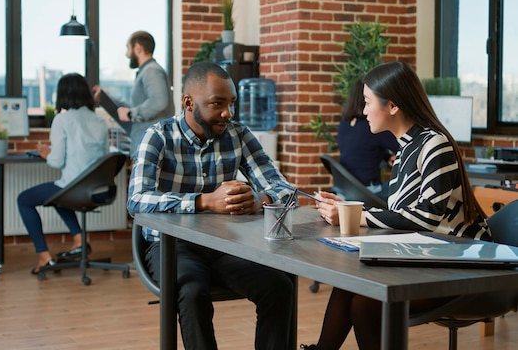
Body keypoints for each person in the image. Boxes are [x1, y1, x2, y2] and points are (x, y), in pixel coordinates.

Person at [302, 61, 490, 350]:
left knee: (365, 301)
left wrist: (359, 216)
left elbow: (427, 219)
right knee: (350, 283)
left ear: (392, 106)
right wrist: (349, 207)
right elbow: (404, 214)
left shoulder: (433, 144)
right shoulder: (404, 153)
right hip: (429, 259)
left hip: (460, 268)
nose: (362, 111)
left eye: (367, 102)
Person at [127, 61, 295, 350]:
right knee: (192, 292)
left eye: (231, 103)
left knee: (279, 287)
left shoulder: (238, 134)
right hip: (171, 246)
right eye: (217, 104)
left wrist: (260, 200)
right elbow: (137, 200)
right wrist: (204, 201)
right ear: (188, 102)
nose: (227, 113)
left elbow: (287, 191)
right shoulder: (158, 136)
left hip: (225, 245)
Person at [18, 73, 109, 275]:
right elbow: (103, 157)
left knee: (24, 199)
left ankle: (44, 255)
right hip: (99, 190)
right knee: (58, 192)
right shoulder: (100, 121)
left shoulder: (62, 119)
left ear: (63, 95)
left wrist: (45, 153)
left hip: (74, 189)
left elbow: (57, 161)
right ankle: (79, 239)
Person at [93, 30, 174, 158]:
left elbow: (159, 101)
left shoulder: (151, 71)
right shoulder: (147, 71)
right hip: (147, 145)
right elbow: (139, 106)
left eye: (128, 48)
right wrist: (105, 97)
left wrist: (131, 114)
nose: (127, 54)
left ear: (137, 48)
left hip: (152, 148)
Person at [337, 79, 398, 202]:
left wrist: (386, 157)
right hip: (366, 192)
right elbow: (403, 146)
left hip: (344, 190)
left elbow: (362, 150)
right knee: (402, 188)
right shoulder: (372, 126)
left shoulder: (344, 124)